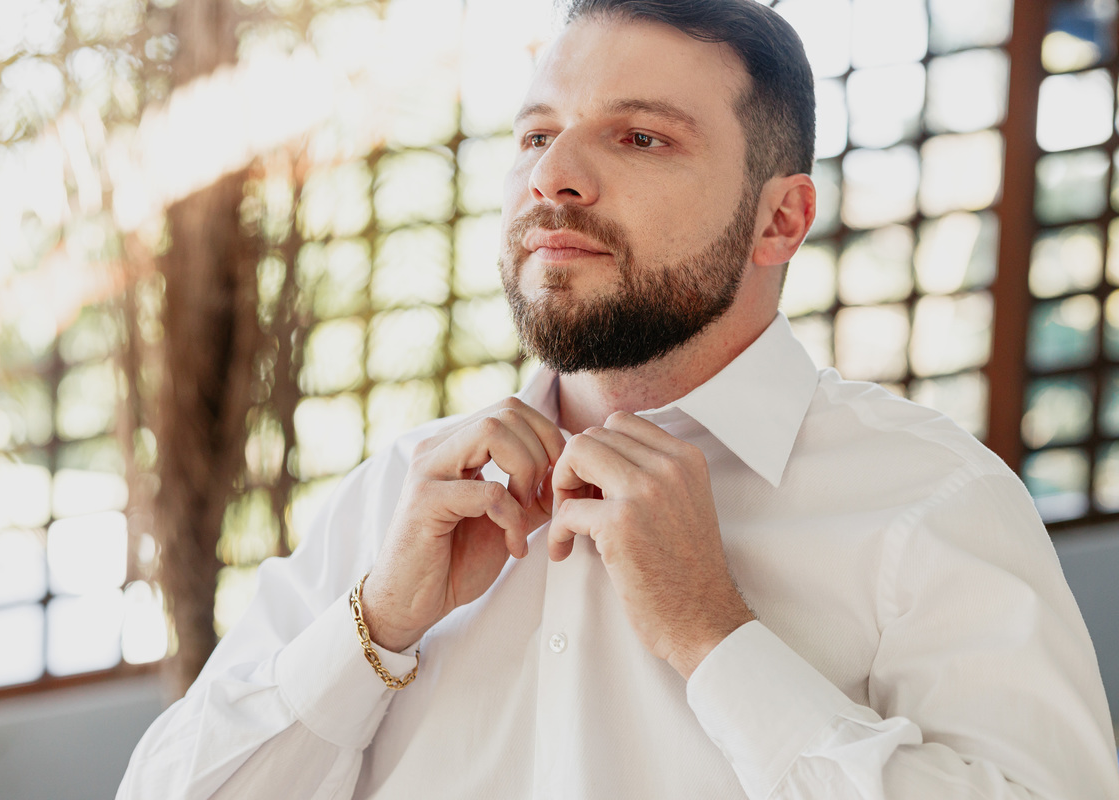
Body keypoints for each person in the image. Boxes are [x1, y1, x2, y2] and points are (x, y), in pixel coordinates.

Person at [118, 1, 1119, 798]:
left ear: (781, 217)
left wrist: (716, 635)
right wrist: (372, 627)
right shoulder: (395, 499)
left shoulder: (930, 504)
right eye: (536, 134)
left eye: (638, 138)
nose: (553, 176)